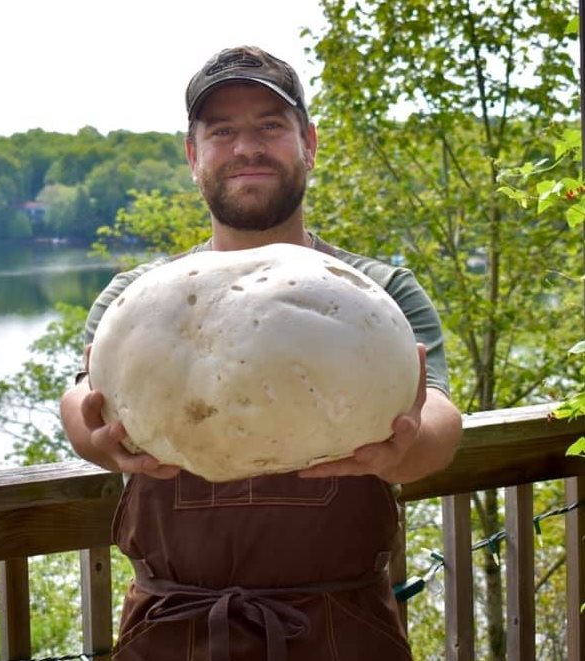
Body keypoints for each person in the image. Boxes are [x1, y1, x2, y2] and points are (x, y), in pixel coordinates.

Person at [60, 45, 463, 661]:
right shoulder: (136, 300)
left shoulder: (377, 290)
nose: (247, 147)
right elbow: (82, 400)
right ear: (194, 156)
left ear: (309, 144)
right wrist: (91, 431)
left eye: (270, 127)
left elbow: (438, 418)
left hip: (342, 628)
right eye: (222, 131)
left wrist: (408, 444)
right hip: (174, 628)